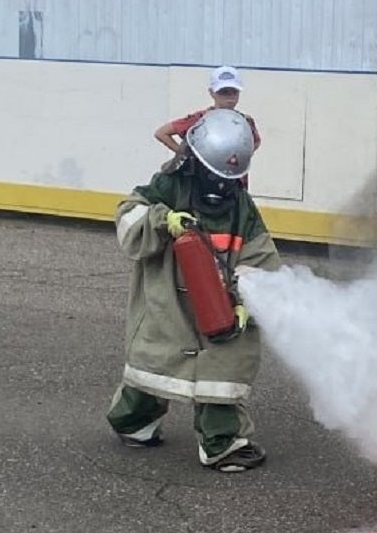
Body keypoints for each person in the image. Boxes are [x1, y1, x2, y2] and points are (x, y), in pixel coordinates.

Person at [107, 108, 280, 471]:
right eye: (214, 174)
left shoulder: (241, 206)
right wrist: (160, 219)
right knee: (155, 359)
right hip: (167, 297)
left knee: (225, 361)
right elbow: (127, 216)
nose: (219, 185)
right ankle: (134, 422)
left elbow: (259, 255)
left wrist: (250, 296)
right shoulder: (168, 186)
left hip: (219, 303)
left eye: (227, 177)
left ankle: (223, 443)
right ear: (196, 161)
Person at [154, 65, 262, 157]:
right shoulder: (200, 119)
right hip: (202, 179)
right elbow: (161, 133)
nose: (230, 97)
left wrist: (238, 158)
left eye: (234, 92)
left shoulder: (245, 121)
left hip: (235, 180)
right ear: (212, 93)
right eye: (223, 92)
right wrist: (185, 156)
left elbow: (255, 142)